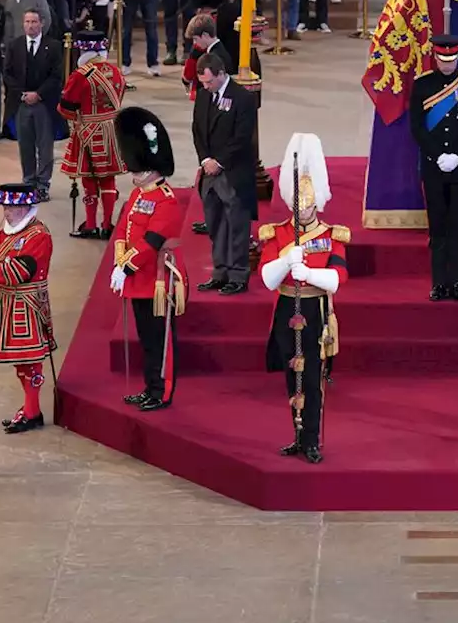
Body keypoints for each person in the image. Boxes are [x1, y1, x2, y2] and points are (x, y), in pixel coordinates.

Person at [255, 133, 346, 463]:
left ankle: (311, 439)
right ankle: (295, 433)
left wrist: (308, 274)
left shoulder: (331, 235)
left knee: (311, 378)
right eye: (299, 205)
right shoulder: (277, 233)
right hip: (285, 307)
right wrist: (285, 260)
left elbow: (337, 278)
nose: (303, 211)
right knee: (289, 375)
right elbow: (266, 279)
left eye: (308, 205)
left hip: (314, 307)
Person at [0, 183, 56, 433]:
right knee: (20, 362)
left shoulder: (39, 235)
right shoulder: (8, 230)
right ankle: (29, 408)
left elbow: (19, 271)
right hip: (8, 301)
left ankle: (32, 411)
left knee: (32, 360)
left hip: (27, 304)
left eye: (12, 207)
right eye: (5, 206)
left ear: (26, 206)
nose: (7, 212)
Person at [110, 106, 186, 411]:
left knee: (160, 341)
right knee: (145, 339)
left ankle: (162, 391)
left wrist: (125, 267)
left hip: (156, 281)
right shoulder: (139, 195)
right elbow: (123, 230)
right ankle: (149, 387)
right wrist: (119, 263)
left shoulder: (166, 201)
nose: (134, 174)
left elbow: (151, 243)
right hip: (136, 278)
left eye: (138, 169)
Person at [409, 35, 458, 302]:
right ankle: (439, 283)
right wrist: (437, 154)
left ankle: (457, 283)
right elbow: (416, 126)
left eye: (452, 60)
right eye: (443, 59)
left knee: (457, 230)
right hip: (434, 167)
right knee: (437, 229)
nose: (448, 64)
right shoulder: (422, 85)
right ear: (435, 57)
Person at [193, 51, 258, 295]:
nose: (206, 87)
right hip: (210, 173)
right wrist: (205, 159)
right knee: (215, 224)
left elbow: (242, 137)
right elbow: (197, 131)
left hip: (233, 173)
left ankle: (238, 275)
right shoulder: (202, 96)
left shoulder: (243, 98)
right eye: (203, 83)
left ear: (221, 74)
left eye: (209, 82)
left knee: (237, 225)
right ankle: (220, 273)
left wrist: (219, 161)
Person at [58, 29, 127, 239]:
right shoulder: (116, 71)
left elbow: (65, 106)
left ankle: (90, 224)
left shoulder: (80, 75)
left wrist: (77, 117)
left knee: (89, 181)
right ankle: (107, 225)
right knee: (108, 180)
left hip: (89, 131)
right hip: (113, 130)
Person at [4, 8, 63, 200]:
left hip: (44, 104)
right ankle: (29, 182)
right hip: (21, 103)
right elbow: (8, 74)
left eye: (34, 22)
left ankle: (43, 184)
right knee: (26, 145)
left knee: (45, 147)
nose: (30, 25)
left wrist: (38, 94)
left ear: (42, 23)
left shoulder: (53, 46)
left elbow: (56, 76)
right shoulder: (15, 45)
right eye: (27, 22)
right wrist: (22, 94)